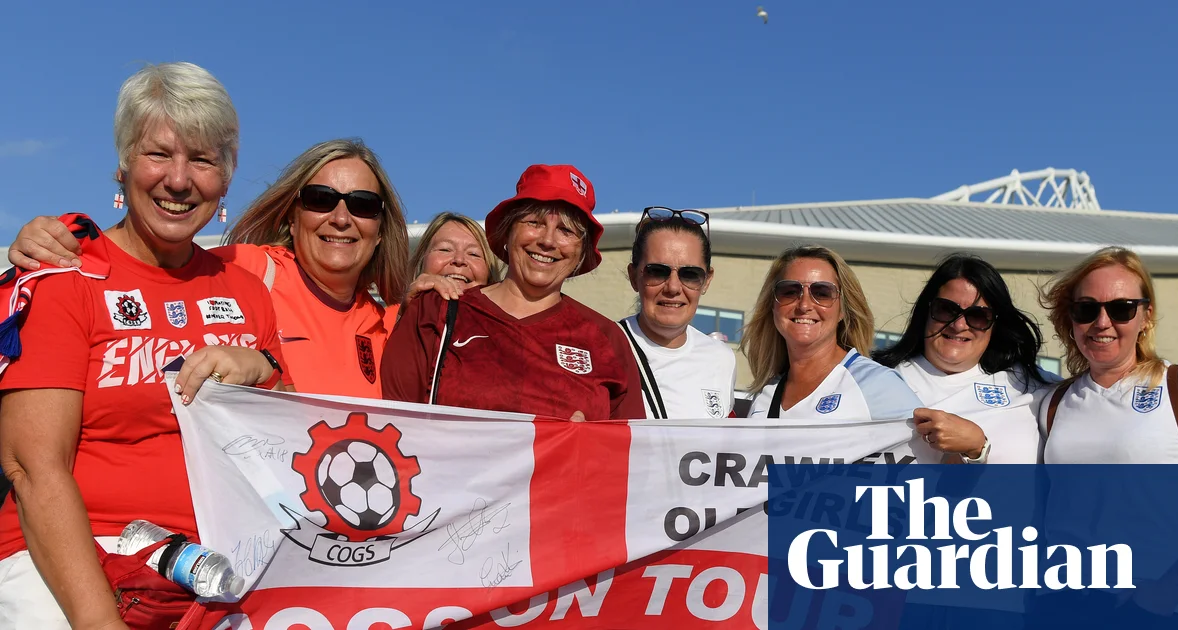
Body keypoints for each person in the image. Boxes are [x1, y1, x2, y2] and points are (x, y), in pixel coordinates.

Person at [0, 62, 288, 630]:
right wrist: (97, 620)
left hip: (223, 563)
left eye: (202, 159)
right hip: (77, 556)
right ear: (123, 165)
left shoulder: (248, 292)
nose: (178, 180)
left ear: (226, 179)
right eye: (158, 154)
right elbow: (33, 467)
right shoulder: (64, 276)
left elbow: (292, 449)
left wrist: (264, 368)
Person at [7, 138, 410, 398]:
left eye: (363, 205)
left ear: (380, 229)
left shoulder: (394, 328)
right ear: (291, 217)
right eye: (321, 199)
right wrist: (55, 238)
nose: (340, 218)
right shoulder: (244, 270)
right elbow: (144, 265)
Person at [381, 164, 645, 421]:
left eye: (566, 230)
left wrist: (590, 443)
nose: (548, 241)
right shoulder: (435, 311)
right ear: (507, 231)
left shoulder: (608, 340)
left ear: (581, 252)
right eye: (534, 222)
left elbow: (632, 445)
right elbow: (392, 426)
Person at [1032, 247, 1178, 628]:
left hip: (1150, 607)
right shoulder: (1052, 402)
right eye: (1086, 309)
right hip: (1058, 605)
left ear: (1146, 316)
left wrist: (1168, 591)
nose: (1102, 322)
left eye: (1121, 308)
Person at [873, 254, 1056, 464]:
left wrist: (977, 448)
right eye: (946, 309)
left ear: (996, 325)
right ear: (926, 311)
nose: (958, 325)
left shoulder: (1037, 387)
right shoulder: (876, 381)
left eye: (978, 316)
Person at [741, 245, 926, 425]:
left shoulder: (876, 383)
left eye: (822, 293)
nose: (804, 305)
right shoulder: (766, 394)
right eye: (789, 292)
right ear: (773, 306)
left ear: (843, 310)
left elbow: (931, 442)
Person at [620, 206, 736, 419]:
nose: (673, 287)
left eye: (690, 274)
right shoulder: (605, 347)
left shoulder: (722, 358)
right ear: (634, 276)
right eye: (657, 272)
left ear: (706, 281)